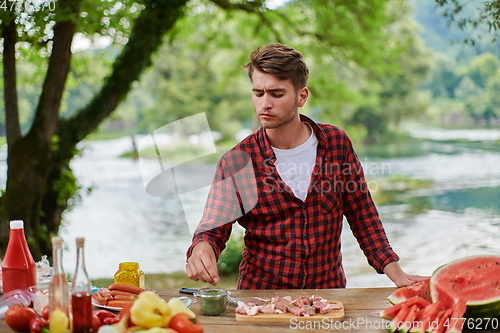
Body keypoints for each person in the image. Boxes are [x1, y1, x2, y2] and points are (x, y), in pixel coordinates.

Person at [185, 43, 425, 289]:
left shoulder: (336, 144)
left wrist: (397, 274)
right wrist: (202, 249)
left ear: (302, 96)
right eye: (258, 93)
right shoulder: (236, 162)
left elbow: (363, 217)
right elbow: (211, 230)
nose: (264, 104)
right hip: (261, 299)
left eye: (277, 94)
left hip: (328, 297)